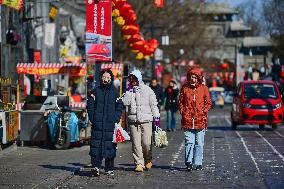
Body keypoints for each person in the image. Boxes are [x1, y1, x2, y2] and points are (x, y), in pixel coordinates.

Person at [121, 70, 160, 172]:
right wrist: (129, 92)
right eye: (131, 79)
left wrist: (157, 119)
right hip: (133, 121)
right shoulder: (128, 91)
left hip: (146, 120)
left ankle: (148, 159)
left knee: (146, 143)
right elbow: (124, 103)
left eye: (134, 78)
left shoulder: (148, 90)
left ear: (139, 78)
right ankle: (139, 163)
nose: (132, 80)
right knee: (136, 144)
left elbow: (154, 105)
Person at [86, 70, 124, 176]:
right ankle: (95, 167)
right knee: (95, 145)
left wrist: (116, 118)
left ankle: (109, 168)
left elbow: (119, 106)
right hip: (97, 124)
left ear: (111, 79)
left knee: (110, 146)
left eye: (108, 77)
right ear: (101, 78)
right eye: (104, 76)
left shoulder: (115, 92)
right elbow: (90, 105)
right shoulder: (95, 91)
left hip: (110, 125)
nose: (106, 78)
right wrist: (93, 118)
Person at [178, 68, 212, 172]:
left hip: (200, 120)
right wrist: (183, 112)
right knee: (189, 142)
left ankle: (197, 163)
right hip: (188, 120)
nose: (193, 79)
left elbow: (208, 103)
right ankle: (188, 162)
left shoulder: (204, 88)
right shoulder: (184, 88)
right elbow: (180, 102)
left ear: (198, 78)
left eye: (195, 77)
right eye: (191, 77)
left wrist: (203, 111)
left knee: (199, 143)